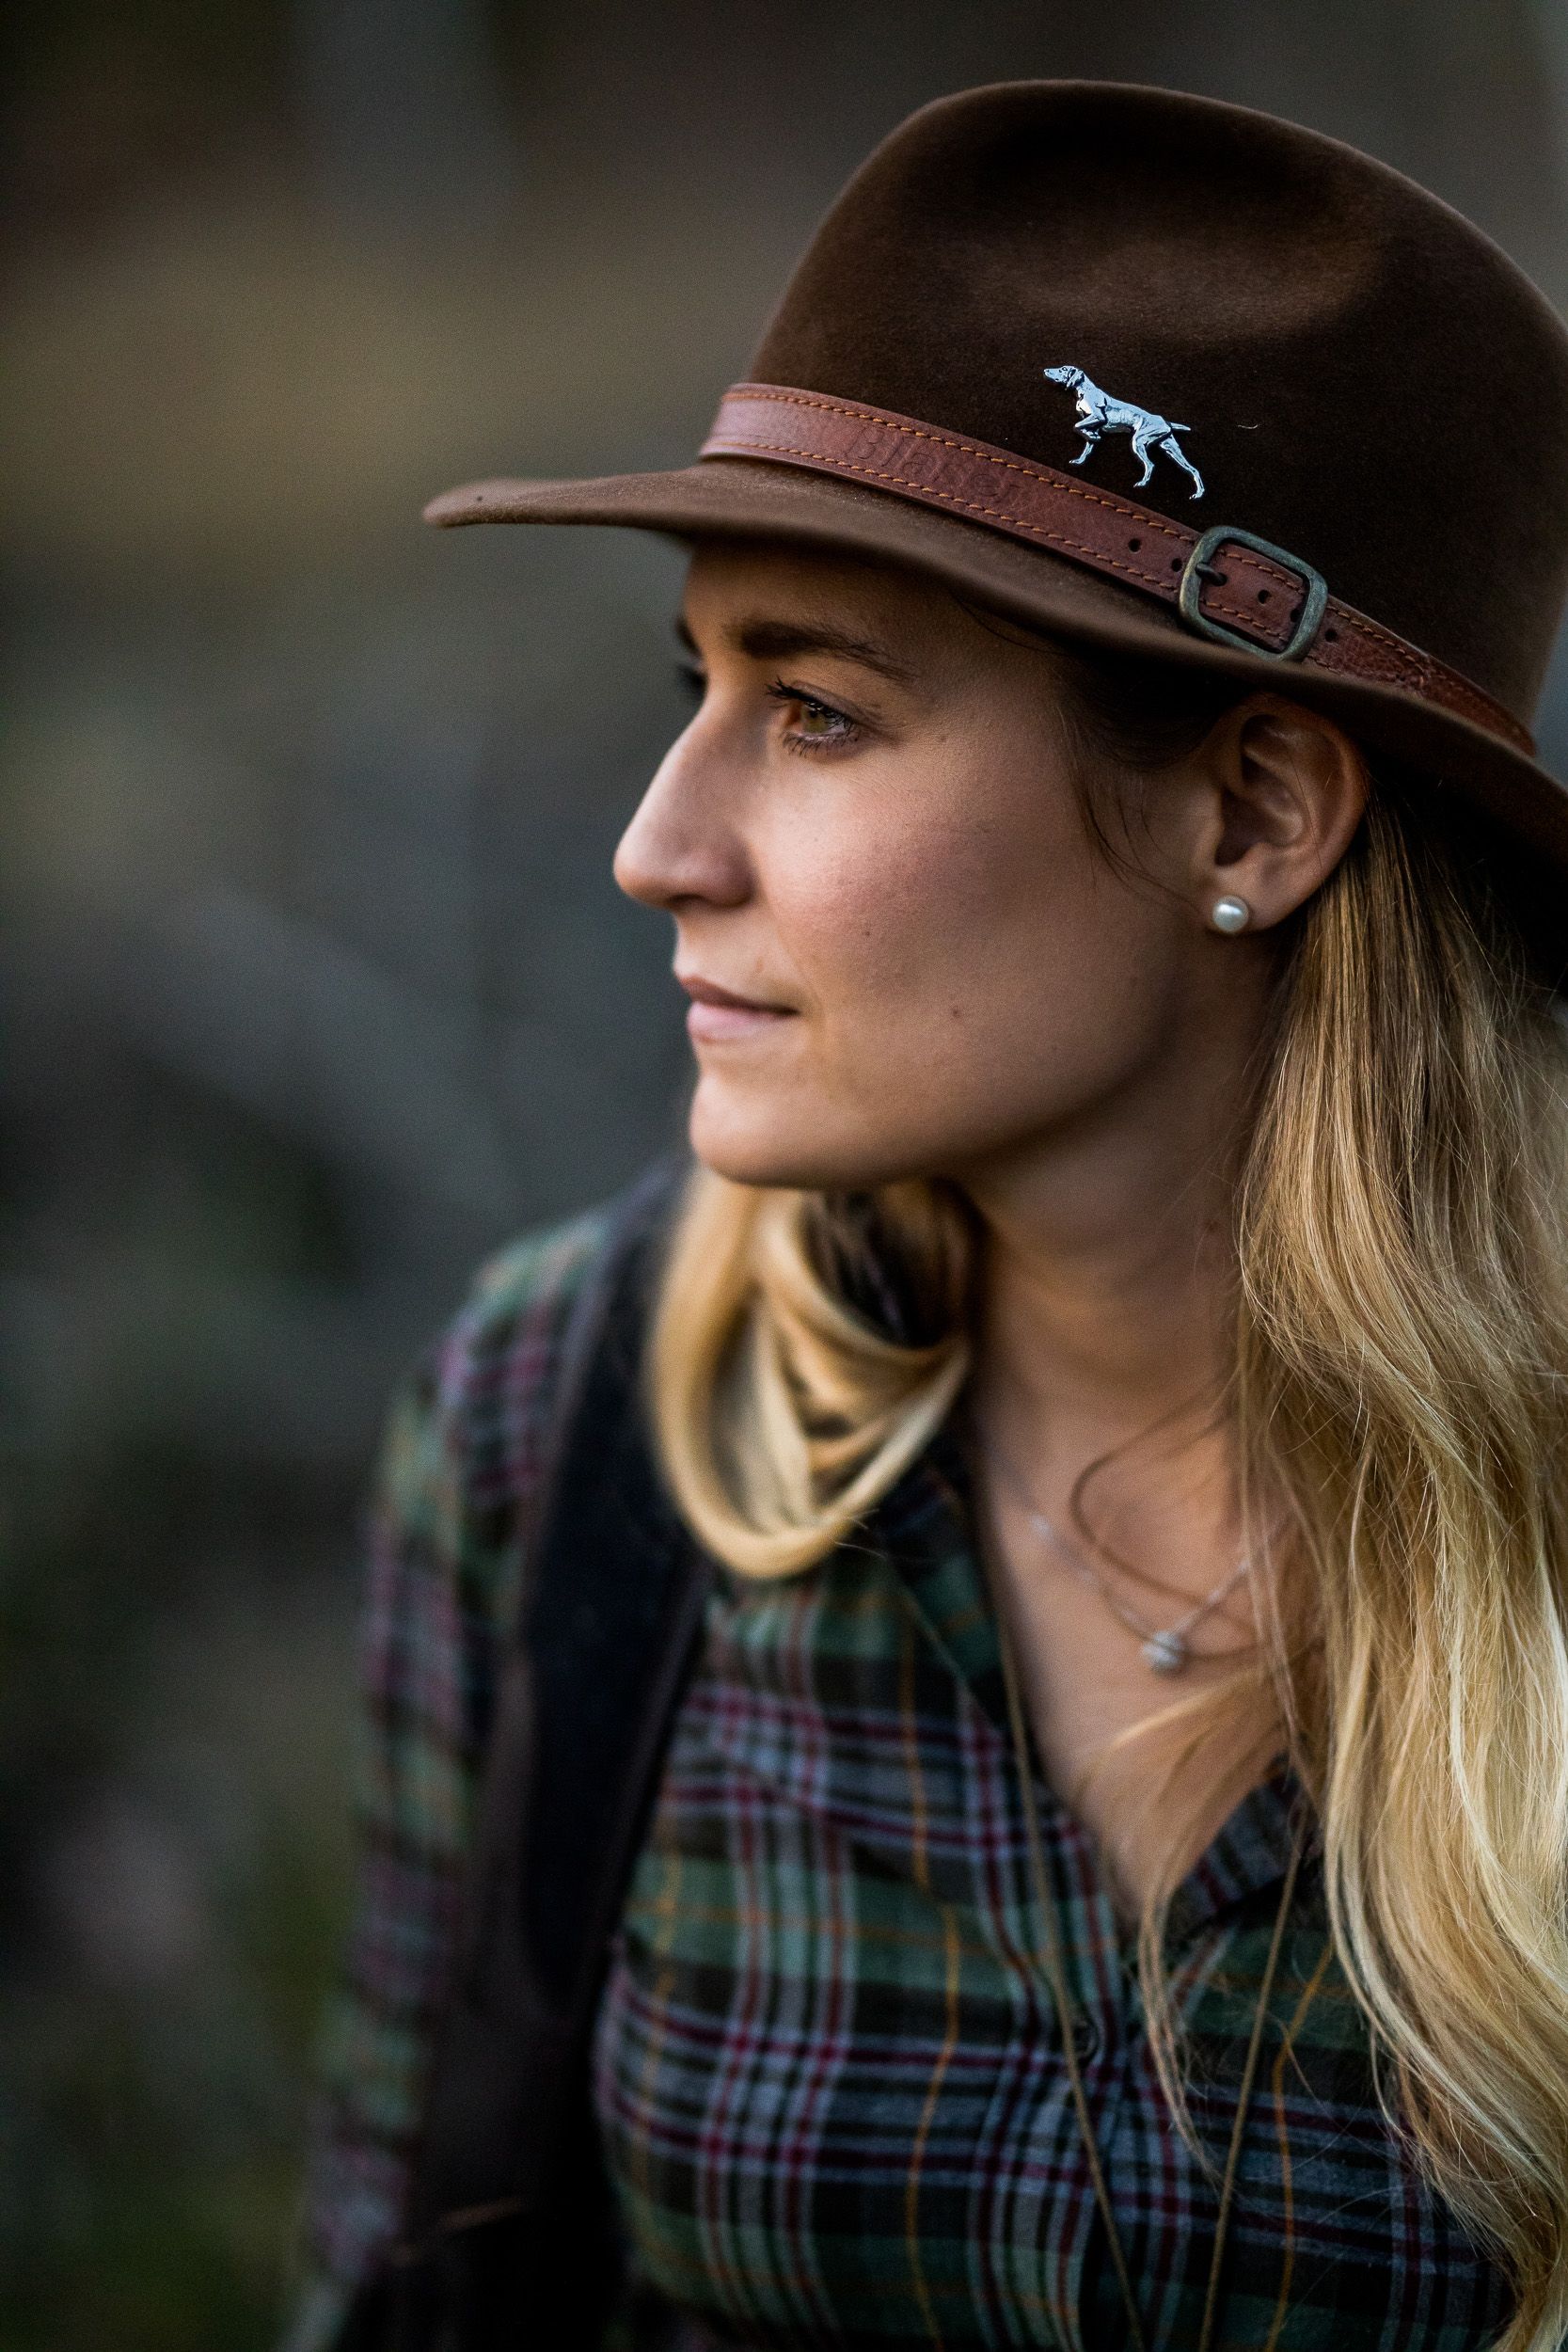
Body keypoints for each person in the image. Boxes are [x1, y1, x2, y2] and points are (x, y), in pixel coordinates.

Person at [284, 80, 1568, 2352]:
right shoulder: (563, 1430)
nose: (658, 844)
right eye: (701, 685)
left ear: (1251, 808)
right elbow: (403, 2282)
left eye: (820, 709)